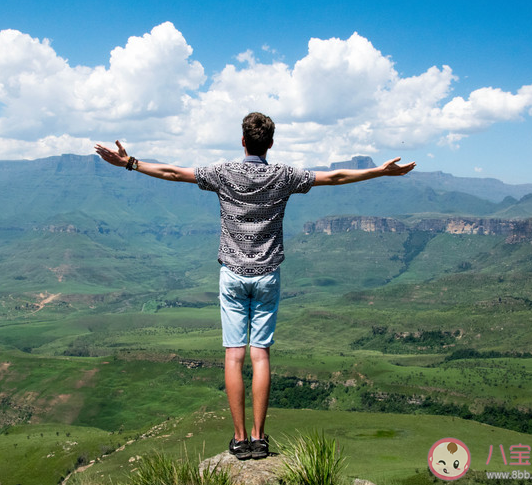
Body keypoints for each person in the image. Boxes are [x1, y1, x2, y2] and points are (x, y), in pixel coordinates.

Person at [95, 112, 415, 460]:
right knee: (260, 354)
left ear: (243, 141)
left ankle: (239, 439)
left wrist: (130, 163)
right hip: (267, 276)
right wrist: (381, 171)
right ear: (271, 144)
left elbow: (173, 173)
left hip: (232, 275)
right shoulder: (284, 175)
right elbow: (335, 176)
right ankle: (260, 439)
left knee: (234, 355)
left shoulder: (223, 172)